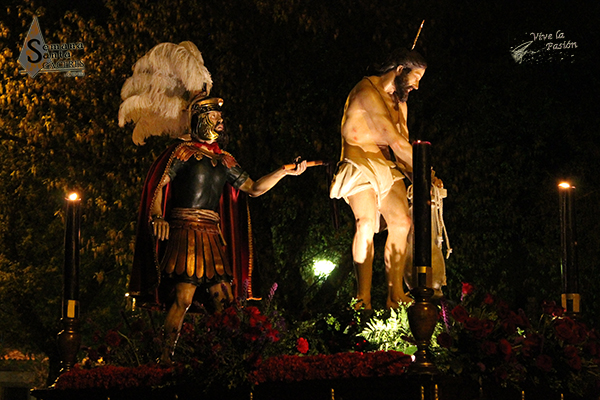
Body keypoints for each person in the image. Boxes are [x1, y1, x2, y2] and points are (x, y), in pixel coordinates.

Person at [131, 96, 306, 364]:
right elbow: (158, 184)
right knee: (183, 298)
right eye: (214, 117)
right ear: (200, 119)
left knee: (225, 302)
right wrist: (157, 216)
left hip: (212, 235)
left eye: (220, 118)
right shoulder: (183, 152)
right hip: (185, 231)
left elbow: (254, 188)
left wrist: (284, 171)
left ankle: (230, 360)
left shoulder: (225, 160)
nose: (220, 121)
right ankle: (165, 358)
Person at [330, 48, 428, 309]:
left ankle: (395, 295)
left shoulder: (400, 104)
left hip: (387, 167)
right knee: (366, 222)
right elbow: (396, 142)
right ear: (399, 70)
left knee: (402, 221)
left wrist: (424, 177)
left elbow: (403, 148)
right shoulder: (366, 92)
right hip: (359, 161)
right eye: (415, 77)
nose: (417, 85)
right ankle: (363, 296)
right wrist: (424, 169)